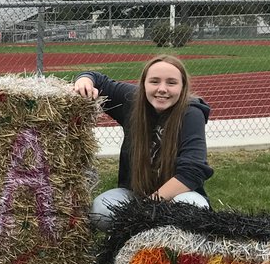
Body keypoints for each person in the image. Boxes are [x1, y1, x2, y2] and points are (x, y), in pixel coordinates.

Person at [72, 54, 212, 231]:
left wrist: (148, 207)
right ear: (143, 84)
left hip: (178, 195)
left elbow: (193, 171)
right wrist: (84, 81)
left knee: (192, 209)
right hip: (135, 194)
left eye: (171, 83)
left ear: (183, 87)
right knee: (100, 210)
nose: (162, 89)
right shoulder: (132, 100)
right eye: (154, 81)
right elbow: (98, 80)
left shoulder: (191, 113)